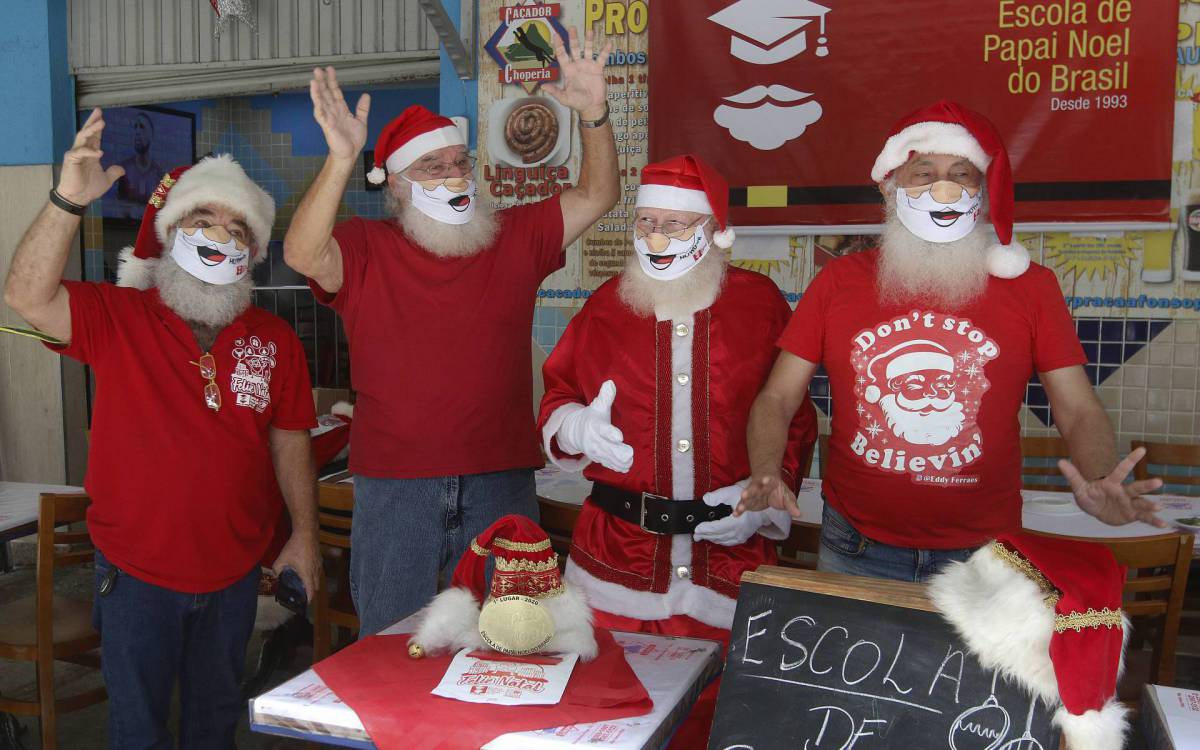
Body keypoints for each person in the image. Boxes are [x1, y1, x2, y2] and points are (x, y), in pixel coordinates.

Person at [738, 100, 1164, 582]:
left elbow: (1077, 408)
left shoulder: (1032, 287)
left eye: (963, 174)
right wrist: (767, 470)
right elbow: (777, 396)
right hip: (855, 545)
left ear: (984, 190)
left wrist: (1100, 475)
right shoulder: (838, 282)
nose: (944, 189)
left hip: (984, 554)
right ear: (890, 184)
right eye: (924, 173)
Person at [283, 27, 620, 636]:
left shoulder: (513, 234)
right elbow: (305, 253)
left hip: (502, 480)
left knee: (512, 639)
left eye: (460, 162)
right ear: (396, 186)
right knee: (390, 642)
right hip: (394, 487)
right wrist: (339, 160)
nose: (453, 174)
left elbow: (599, 194)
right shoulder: (365, 246)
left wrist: (594, 113)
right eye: (431, 166)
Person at [3, 109, 319, 748]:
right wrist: (67, 198)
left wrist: (306, 536)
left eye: (238, 230)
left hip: (234, 574)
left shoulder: (275, 338)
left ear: (254, 254)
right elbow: (26, 296)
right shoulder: (118, 316)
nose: (220, 238)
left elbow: (290, 438)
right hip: (137, 575)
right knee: (138, 731)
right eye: (202, 222)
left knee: (213, 727)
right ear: (170, 234)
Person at [539, 154, 817, 639]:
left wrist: (766, 498)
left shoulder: (760, 305)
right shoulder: (605, 306)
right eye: (646, 222)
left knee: (720, 708)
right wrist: (576, 425)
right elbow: (560, 389)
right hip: (614, 565)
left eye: (674, 224)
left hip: (730, 566)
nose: (656, 237)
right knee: (607, 699)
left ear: (712, 229)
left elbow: (792, 413)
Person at [116, 112, 165, 208]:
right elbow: (117, 206)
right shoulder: (123, 170)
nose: (137, 132)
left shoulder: (160, 176)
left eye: (142, 127)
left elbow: (156, 210)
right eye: (135, 127)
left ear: (151, 135)